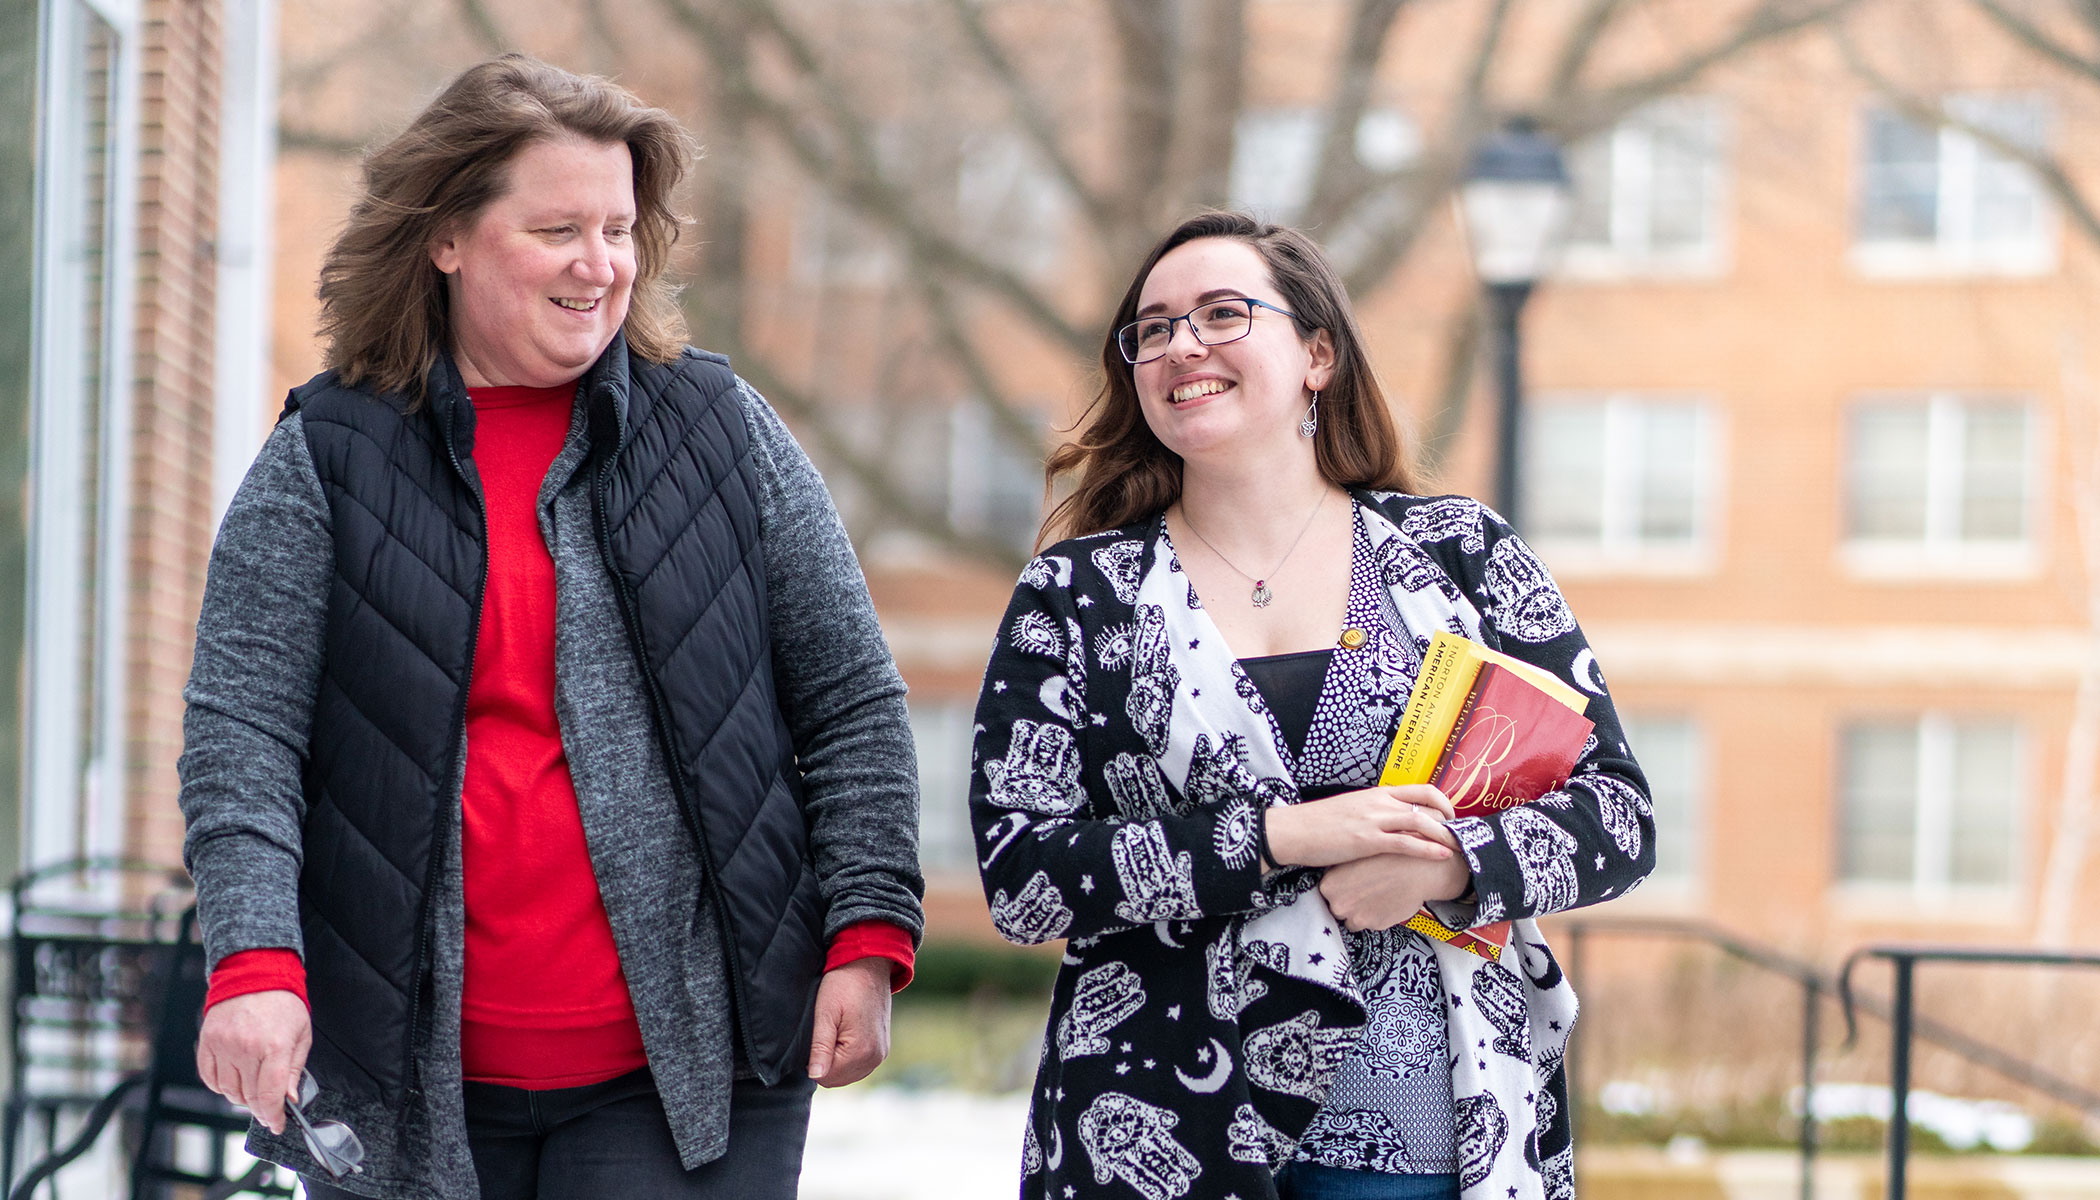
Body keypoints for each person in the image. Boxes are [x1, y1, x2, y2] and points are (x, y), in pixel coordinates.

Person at [178, 55, 923, 1199]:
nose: (601, 264)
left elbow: (850, 699)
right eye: (560, 228)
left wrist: (867, 931)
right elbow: (243, 738)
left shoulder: (724, 432)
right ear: (447, 238)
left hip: (688, 1080)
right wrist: (255, 961)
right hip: (405, 1080)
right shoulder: (324, 459)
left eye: (621, 229)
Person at [969, 211, 1654, 1200]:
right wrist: (1283, 836)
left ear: (1318, 352)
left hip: (1422, 1133)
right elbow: (1023, 876)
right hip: (1160, 1131)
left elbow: (1619, 817)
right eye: (1151, 330)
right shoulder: (1077, 594)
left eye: (1220, 313)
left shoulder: (1459, 556)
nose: (1180, 346)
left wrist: (1447, 864)